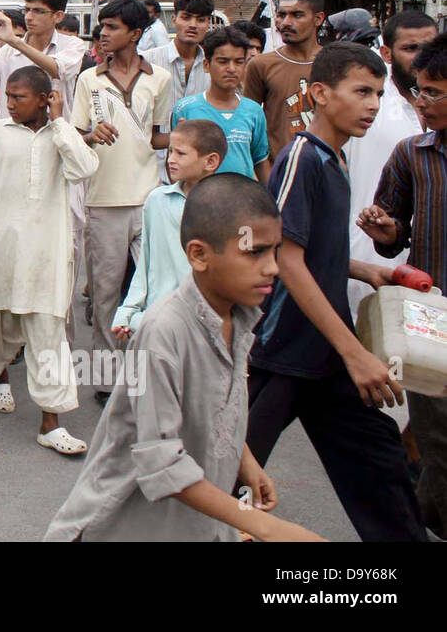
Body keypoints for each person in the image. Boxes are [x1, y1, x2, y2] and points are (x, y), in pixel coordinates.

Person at [45, 174, 322, 541]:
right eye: (254, 252)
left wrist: (247, 463)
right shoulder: (164, 332)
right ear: (199, 254)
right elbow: (163, 463)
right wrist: (262, 524)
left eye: (275, 251)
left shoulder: (239, 319)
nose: (272, 267)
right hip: (123, 527)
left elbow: (218, 411)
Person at [246, 42, 425, 542]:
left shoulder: (333, 160)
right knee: (226, 470)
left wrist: (366, 271)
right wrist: (356, 354)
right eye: (361, 91)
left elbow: (311, 251)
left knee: (379, 457)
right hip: (284, 353)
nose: (372, 104)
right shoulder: (301, 156)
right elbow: (283, 256)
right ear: (320, 94)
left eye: (378, 93)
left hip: (324, 352)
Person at [0, 67, 97, 452]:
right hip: (0, 247)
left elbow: (85, 168)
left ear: (43, 98)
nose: (10, 103)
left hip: (47, 252)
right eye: (9, 96)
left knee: (48, 332)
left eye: (19, 97)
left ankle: (51, 423)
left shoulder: (61, 136)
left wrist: (60, 123)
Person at [358, 31, 447, 539]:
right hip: (432, 322)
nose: (421, 102)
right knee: (438, 438)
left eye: (434, 92)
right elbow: (393, 237)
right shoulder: (412, 155)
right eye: (418, 90)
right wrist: (387, 234)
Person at [71, 0, 173, 394]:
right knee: (105, 293)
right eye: (102, 26)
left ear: (135, 33)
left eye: (112, 27)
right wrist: (90, 136)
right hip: (103, 202)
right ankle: (104, 376)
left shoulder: (159, 79)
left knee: (157, 289)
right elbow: (74, 134)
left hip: (150, 199)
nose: (103, 34)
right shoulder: (88, 80)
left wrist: (185, 139)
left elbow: (157, 136)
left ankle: (155, 370)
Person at [345, 11, 437, 317]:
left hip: (432, 263)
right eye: (410, 49)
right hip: (372, 254)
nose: (422, 57)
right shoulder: (370, 103)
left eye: (431, 47)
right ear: (386, 53)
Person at [112, 119, 226, 340]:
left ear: (211, 161)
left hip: (207, 323)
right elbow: (146, 261)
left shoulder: (226, 207)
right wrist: (129, 311)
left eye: (181, 154)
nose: (171, 160)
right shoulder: (158, 200)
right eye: (170, 151)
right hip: (159, 320)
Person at [171, 27, 270, 183]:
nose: (231, 69)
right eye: (223, 61)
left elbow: (260, 160)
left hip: (242, 200)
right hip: (199, 200)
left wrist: (270, 201)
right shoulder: (185, 109)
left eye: (239, 62)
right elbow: (175, 161)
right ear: (206, 65)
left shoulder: (254, 111)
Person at [244, 0, 326, 160]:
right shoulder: (261, 65)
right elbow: (248, 125)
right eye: (281, 15)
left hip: (326, 167)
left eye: (297, 15)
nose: (286, 23)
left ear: (318, 19)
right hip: (279, 170)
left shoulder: (336, 63)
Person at [141, 0, 213, 102]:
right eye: (186, 17)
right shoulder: (147, 61)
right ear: (174, 20)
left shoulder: (214, 67)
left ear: (208, 23)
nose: (193, 25)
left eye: (201, 20)